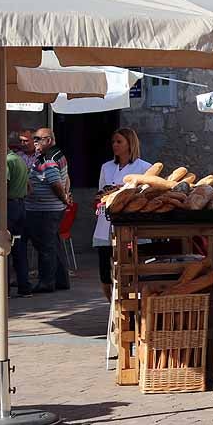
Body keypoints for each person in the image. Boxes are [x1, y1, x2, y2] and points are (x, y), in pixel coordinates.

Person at [93, 128, 151, 301]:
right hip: (106, 221)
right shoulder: (107, 167)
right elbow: (100, 193)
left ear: (129, 144)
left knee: (129, 266)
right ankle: (111, 302)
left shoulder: (144, 167)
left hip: (131, 223)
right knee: (105, 269)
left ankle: (130, 304)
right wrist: (104, 195)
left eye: (119, 142)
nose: (115, 145)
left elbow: (146, 195)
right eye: (113, 142)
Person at [0, 136, 32, 299]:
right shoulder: (19, 160)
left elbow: (3, 186)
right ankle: (24, 286)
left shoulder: (5, 162)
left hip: (9, 208)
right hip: (21, 206)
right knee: (19, 248)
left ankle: (3, 289)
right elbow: (29, 187)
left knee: (2, 247)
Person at [25, 128, 71, 293]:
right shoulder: (58, 154)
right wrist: (65, 197)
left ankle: (46, 282)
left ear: (49, 140)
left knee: (46, 247)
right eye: (34, 139)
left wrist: (63, 198)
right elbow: (66, 178)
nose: (35, 142)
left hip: (45, 209)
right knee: (52, 245)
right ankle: (61, 280)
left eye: (39, 139)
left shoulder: (49, 159)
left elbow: (56, 183)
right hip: (50, 208)